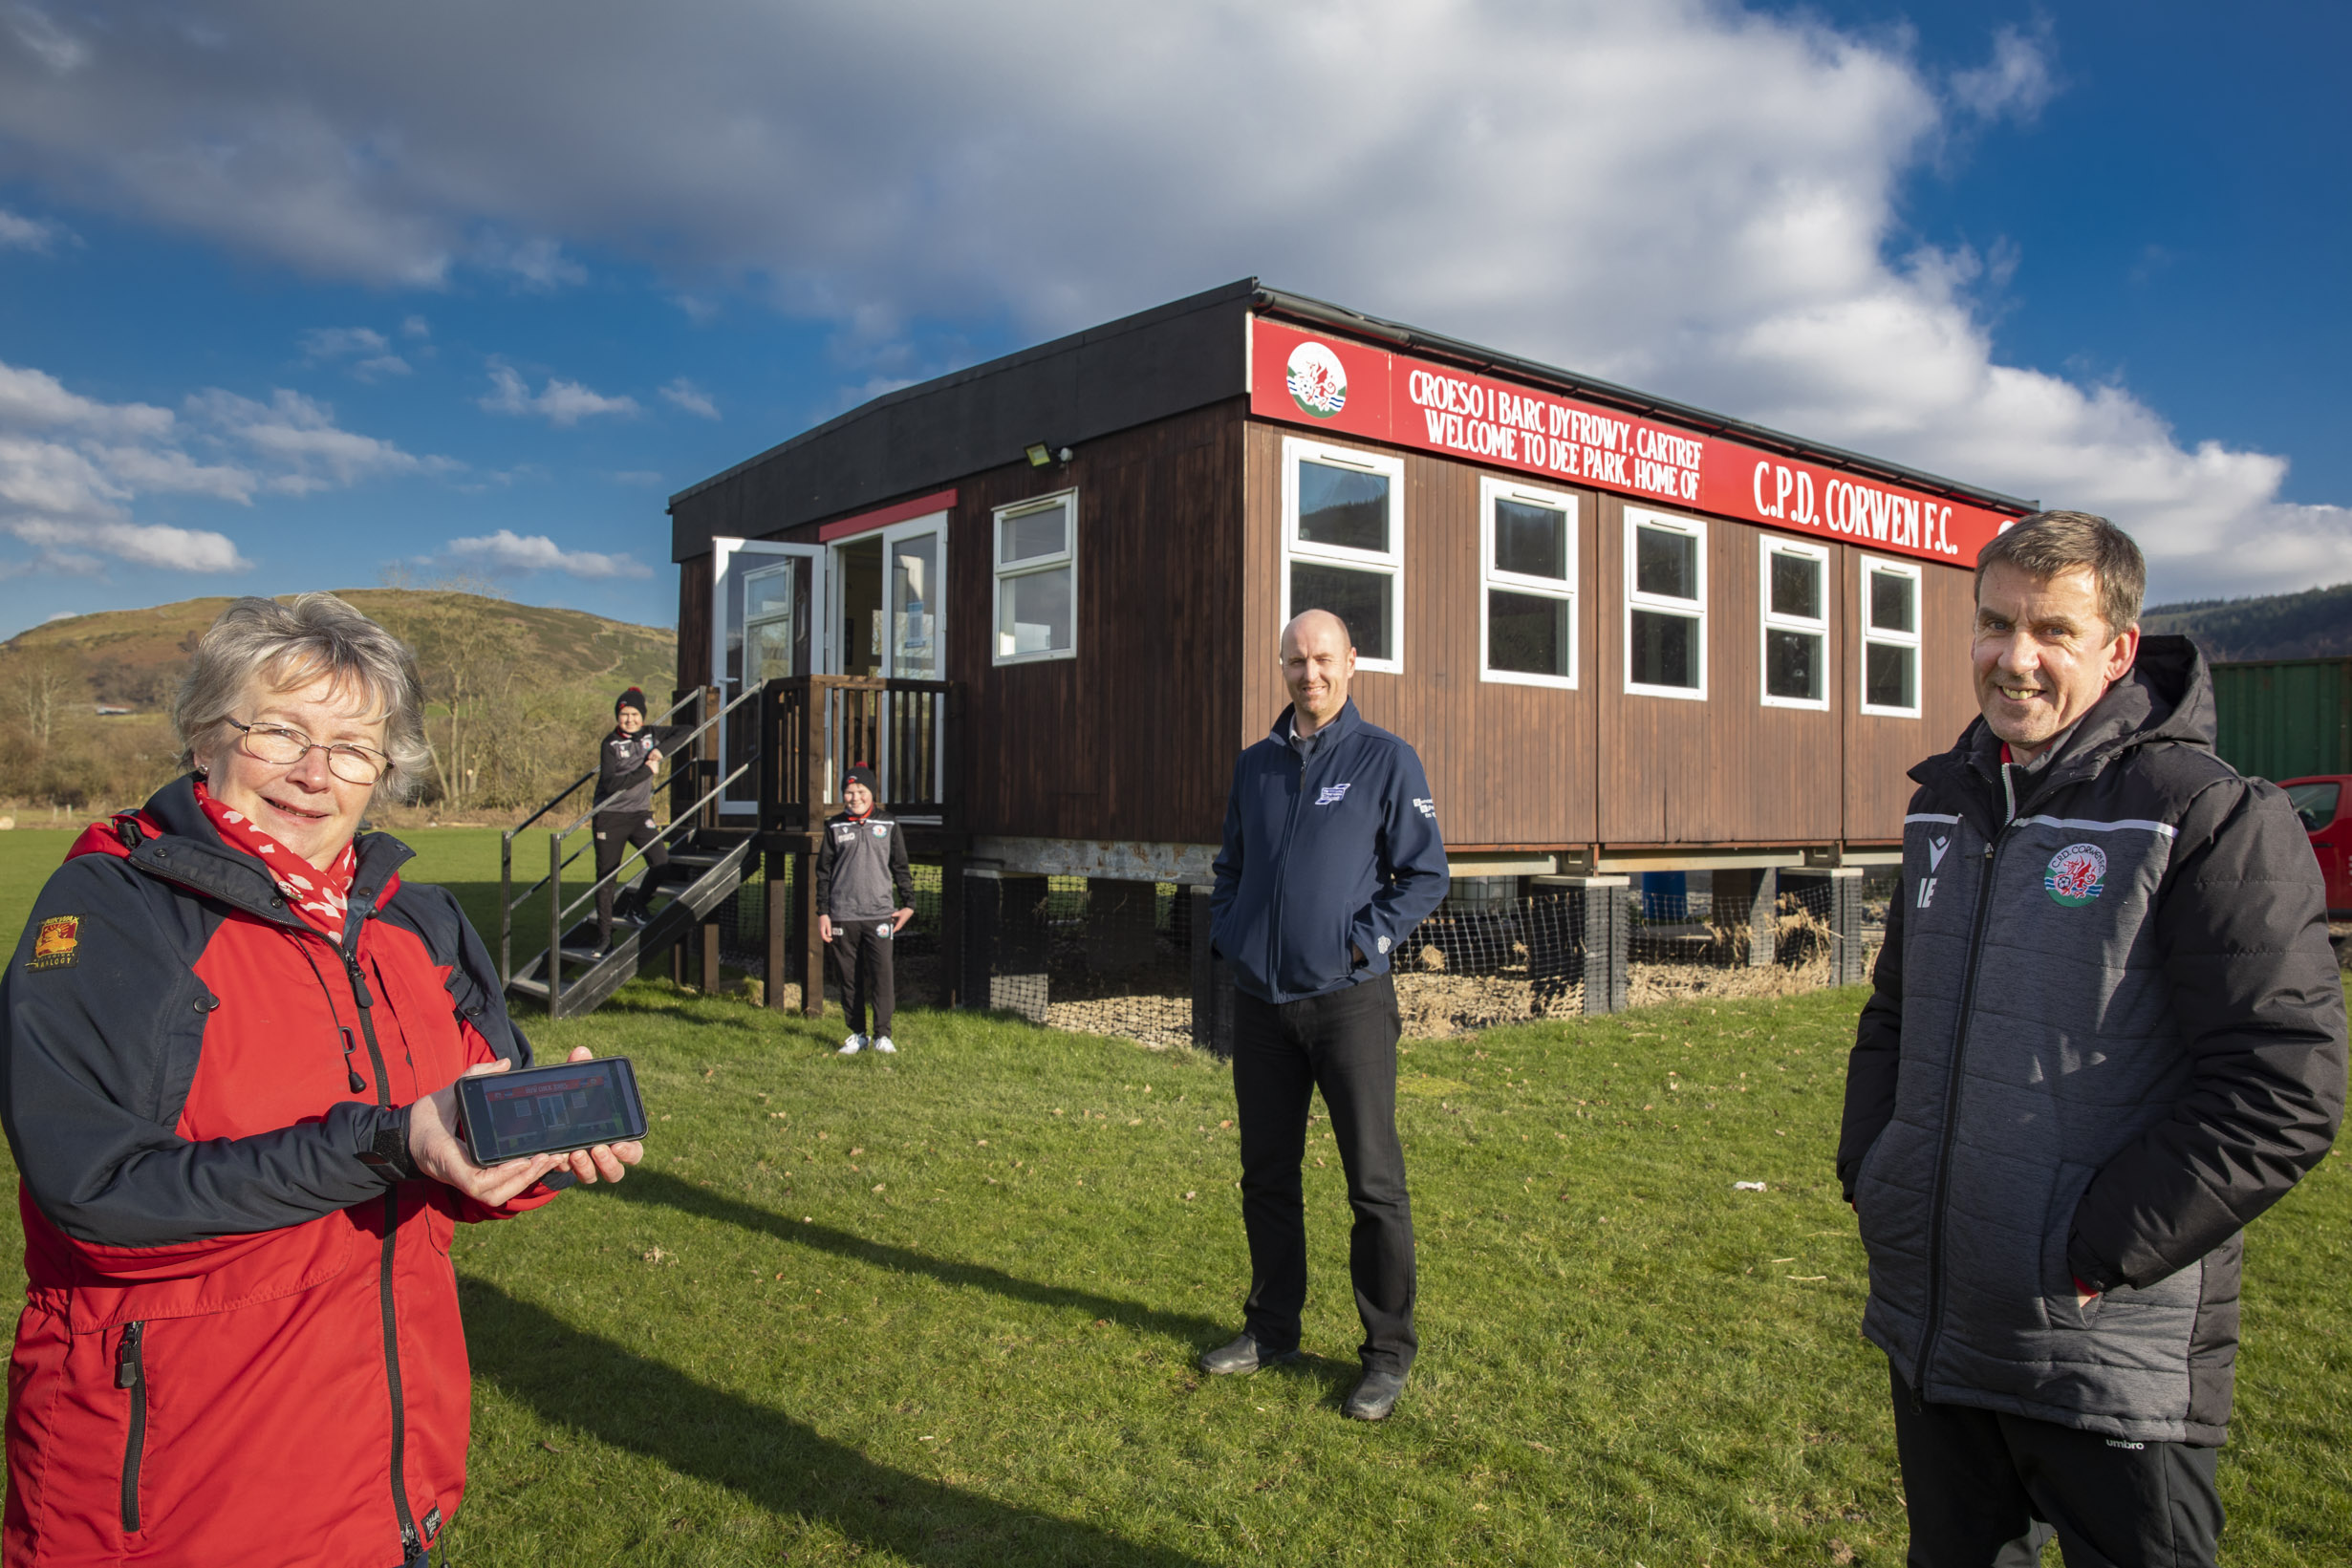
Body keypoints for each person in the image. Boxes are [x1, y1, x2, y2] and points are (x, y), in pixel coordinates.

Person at [0, 593, 644, 1568]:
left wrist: (523, 1146)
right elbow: (96, 1198)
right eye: (280, 732)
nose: (315, 772)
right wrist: (384, 1139)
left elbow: (446, 1138)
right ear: (204, 735)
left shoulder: (413, 920)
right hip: (178, 1505)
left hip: (385, 1490)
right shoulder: (114, 909)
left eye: (353, 748)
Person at [1837, 512, 2345, 1565]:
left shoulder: (2207, 817)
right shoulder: (1945, 807)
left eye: (2052, 632)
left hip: (2107, 1348)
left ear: (2118, 651)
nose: (2012, 658)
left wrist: (2095, 1248)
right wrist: (1874, 1169)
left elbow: (2281, 1086)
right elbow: (1893, 1013)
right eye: (1994, 623)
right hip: (1938, 1320)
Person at [1202, 609, 1448, 1422]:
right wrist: (1231, 935)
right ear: (1281, 668)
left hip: (1348, 1004)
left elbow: (1423, 875)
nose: (1309, 674)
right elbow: (1230, 864)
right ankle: (1271, 1328)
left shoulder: (1386, 760)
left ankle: (1385, 1353)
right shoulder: (1255, 766)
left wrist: (1361, 942)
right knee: (1265, 1178)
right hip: (1262, 1005)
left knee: (1372, 1184)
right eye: (1295, 661)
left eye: (1322, 659)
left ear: (1352, 662)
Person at [815, 763, 915, 1055]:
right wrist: (823, 912)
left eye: (860, 791)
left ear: (871, 793)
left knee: (882, 976)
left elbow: (901, 867)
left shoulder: (889, 824)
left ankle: (883, 1035)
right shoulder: (834, 826)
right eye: (848, 791)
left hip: (880, 915)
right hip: (842, 915)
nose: (854, 797)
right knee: (849, 978)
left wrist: (909, 904)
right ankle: (857, 1034)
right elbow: (823, 872)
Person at [592, 686, 686, 955]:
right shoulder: (610, 744)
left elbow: (685, 730)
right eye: (624, 714)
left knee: (661, 862)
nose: (630, 719)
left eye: (634, 714)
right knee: (607, 878)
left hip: (640, 815)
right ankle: (604, 939)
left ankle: (637, 906)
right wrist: (646, 771)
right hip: (610, 817)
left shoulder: (650, 735)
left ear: (642, 716)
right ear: (617, 716)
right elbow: (610, 784)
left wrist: (659, 752)